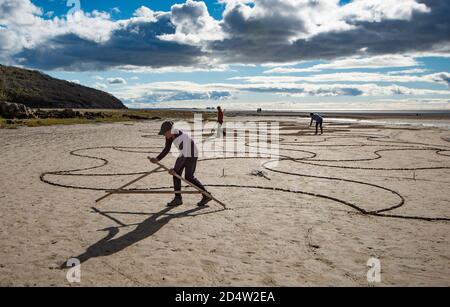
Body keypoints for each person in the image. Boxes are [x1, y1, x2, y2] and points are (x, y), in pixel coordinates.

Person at [150, 121, 212, 207]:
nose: (164, 135)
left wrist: (175, 169)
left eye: (164, 133)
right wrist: (157, 158)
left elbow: (184, 155)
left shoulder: (181, 137)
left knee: (189, 177)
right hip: (184, 153)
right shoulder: (170, 136)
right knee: (176, 175)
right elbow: (167, 149)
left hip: (192, 154)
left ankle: (206, 195)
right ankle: (178, 198)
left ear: (170, 130)